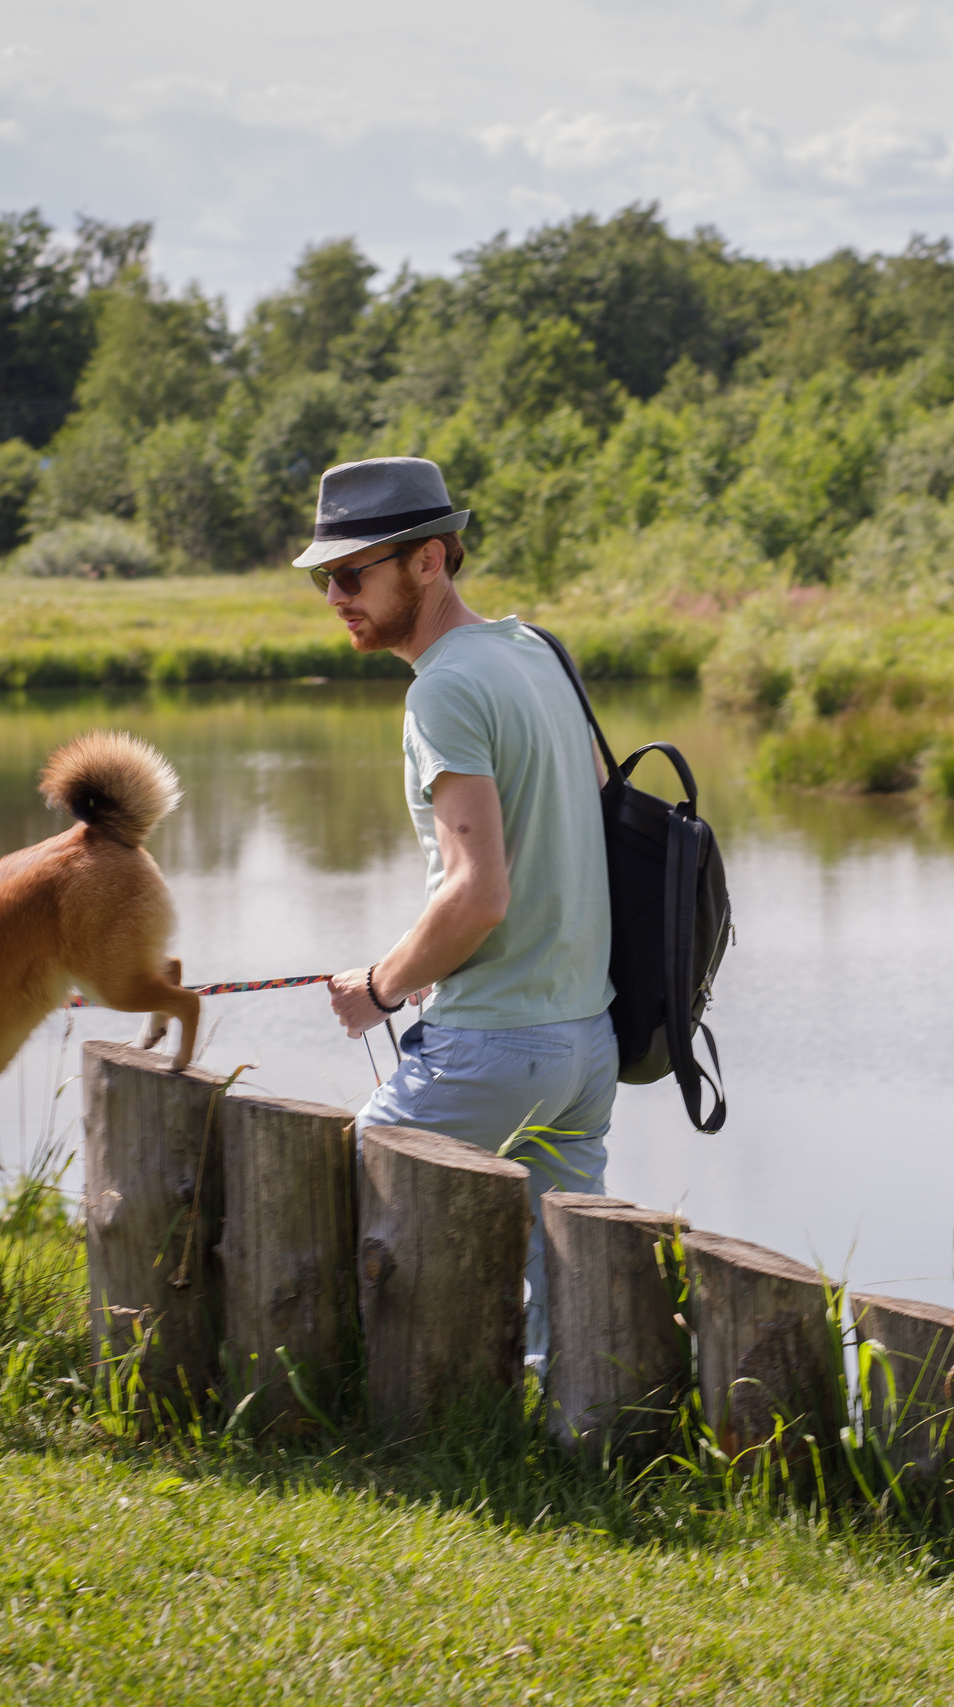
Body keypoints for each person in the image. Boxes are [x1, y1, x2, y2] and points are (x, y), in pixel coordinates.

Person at [301, 456, 617, 1363]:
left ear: (430, 561)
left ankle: (361, 1422)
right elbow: (592, 811)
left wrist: (382, 986)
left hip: (494, 1044)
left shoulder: (441, 686)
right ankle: (574, 1448)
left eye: (353, 572)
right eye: (327, 577)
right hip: (586, 1040)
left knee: (340, 1193)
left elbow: (478, 892)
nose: (334, 595)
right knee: (569, 1278)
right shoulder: (538, 652)